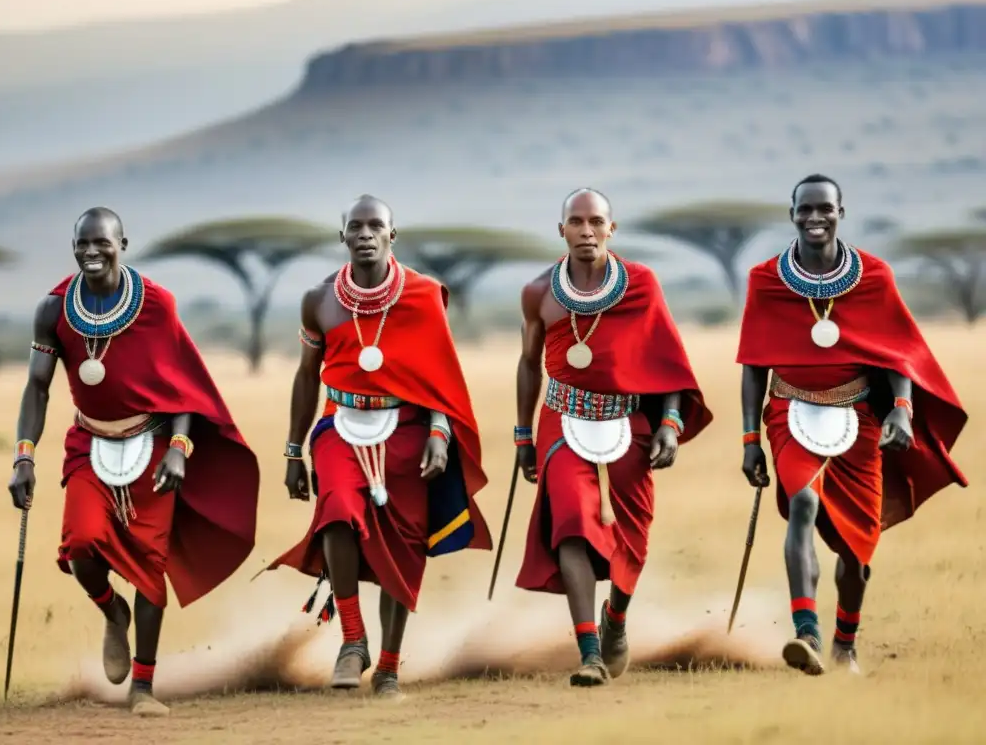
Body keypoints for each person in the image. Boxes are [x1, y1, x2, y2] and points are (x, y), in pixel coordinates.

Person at [6, 207, 261, 716]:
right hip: (88, 443)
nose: (91, 252)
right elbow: (37, 386)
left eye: (103, 242)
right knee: (80, 545)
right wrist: (24, 457)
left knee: (150, 565)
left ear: (124, 242)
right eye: (82, 243)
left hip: (151, 445)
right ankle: (111, 610)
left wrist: (180, 450)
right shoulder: (53, 310)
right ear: (73, 245)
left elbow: (184, 387)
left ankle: (143, 688)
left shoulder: (158, 305)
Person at [737, 174, 968, 676]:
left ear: (842, 211)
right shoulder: (766, 279)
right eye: (805, 209)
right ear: (791, 213)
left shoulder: (874, 276)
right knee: (802, 500)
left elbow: (897, 354)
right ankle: (807, 634)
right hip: (789, 411)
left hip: (858, 417)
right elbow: (753, 364)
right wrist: (751, 439)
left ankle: (845, 640)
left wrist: (901, 410)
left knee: (857, 547)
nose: (814, 218)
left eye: (825, 208)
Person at [262, 194, 492, 698]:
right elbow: (306, 377)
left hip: (407, 428)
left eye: (375, 226)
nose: (365, 234)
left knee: (403, 548)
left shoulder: (424, 294)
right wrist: (293, 451)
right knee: (337, 512)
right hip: (339, 425)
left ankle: (388, 668)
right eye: (355, 227)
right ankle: (353, 640)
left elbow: (441, 376)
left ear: (393, 234)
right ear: (341, 236)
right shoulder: (318, 300)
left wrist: (439, 432)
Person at [513, 188, 713, 687]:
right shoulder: (538, 291)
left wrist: (670, 422)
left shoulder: (641, 284)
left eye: (596, 221)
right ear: (560, 230)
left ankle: (616, 620)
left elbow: (667, 360)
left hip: (630, 419)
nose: (586, 231)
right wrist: (522, 434)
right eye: (575, 222)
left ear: (612, 228)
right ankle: (588, 653)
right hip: (561, 416)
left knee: (632, 536)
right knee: (573, 525)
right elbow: (528, 362)